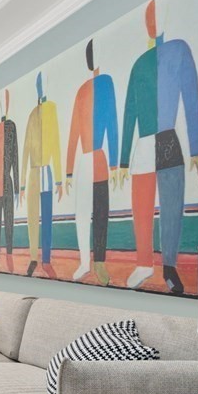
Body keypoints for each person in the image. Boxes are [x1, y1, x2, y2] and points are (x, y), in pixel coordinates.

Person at [119, 0, 198, 295]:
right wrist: (121, 161)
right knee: (141, 208)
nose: (153, 21)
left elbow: (191, 97)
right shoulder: (139, 64)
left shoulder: (179, 50)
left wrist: (197, 148)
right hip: (143, 143)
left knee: (171, 207)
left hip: (167, 138)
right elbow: (129, 113)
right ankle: (144, 262)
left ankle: (169, 266)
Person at [65, 39, 118, 285]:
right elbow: (73, 133)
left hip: (99, 157)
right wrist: (66, 173)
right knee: (82, 214)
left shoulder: (106, 84)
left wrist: (118, 162)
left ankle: (99, 263)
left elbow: (114, 124)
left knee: (101, 212)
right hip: (83, 162)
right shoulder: (81, 91)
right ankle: (85, 261)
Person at [21, 72, 63, 278]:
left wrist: (60, 179)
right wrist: (21, 184)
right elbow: (25, 151)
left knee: (47, 217)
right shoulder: (31, 115)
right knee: (31, 219)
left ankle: (46, 258)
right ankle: (33, 258)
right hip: (33, 173)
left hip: (47, 170)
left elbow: (56, 145)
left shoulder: (52, 109)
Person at [0, 89, 20, 273]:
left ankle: (9, 255)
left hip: (7, 182)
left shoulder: (12, 127)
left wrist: (17, 186)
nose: (4, 105)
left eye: (5, 101)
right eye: (2, 102)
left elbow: (15, 156)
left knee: (9, 221)